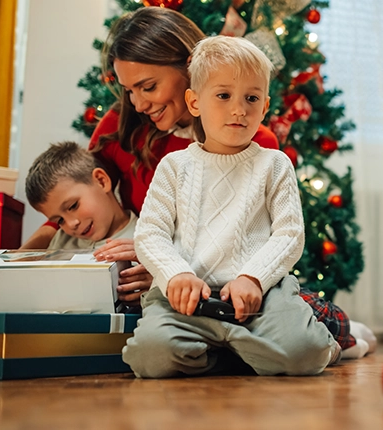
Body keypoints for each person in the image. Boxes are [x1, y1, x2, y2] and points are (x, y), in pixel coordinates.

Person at [21, 6, 374, 356]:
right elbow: (70, 197)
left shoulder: (255, 145)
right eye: (129, 90)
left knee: (295, 317)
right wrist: (17, 263)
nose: (139, 103)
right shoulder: (119, 128)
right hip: (167, 284)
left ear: (190, 73)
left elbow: (264, 236)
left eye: (148, 86)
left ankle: (333, 332)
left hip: (228, 279)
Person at [123, 35, 350, 377]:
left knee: (305, 353)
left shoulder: (274, 164)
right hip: (186, 302)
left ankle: (318, 344)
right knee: (150, 357)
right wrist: (177, 274)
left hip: (259, 298)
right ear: (195, 101)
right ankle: (240, 353)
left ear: (265, 105)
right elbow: (150, 234)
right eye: (224, 95)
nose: (239, 109)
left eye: (251, 98)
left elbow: (289, 235)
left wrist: (253, 278)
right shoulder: (174, 166)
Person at [24, 141, 152, 310]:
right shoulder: (60, 242)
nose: (71, 224)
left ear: (101, 181)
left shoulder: (146, 236)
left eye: (73, 206)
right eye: (59, 221)